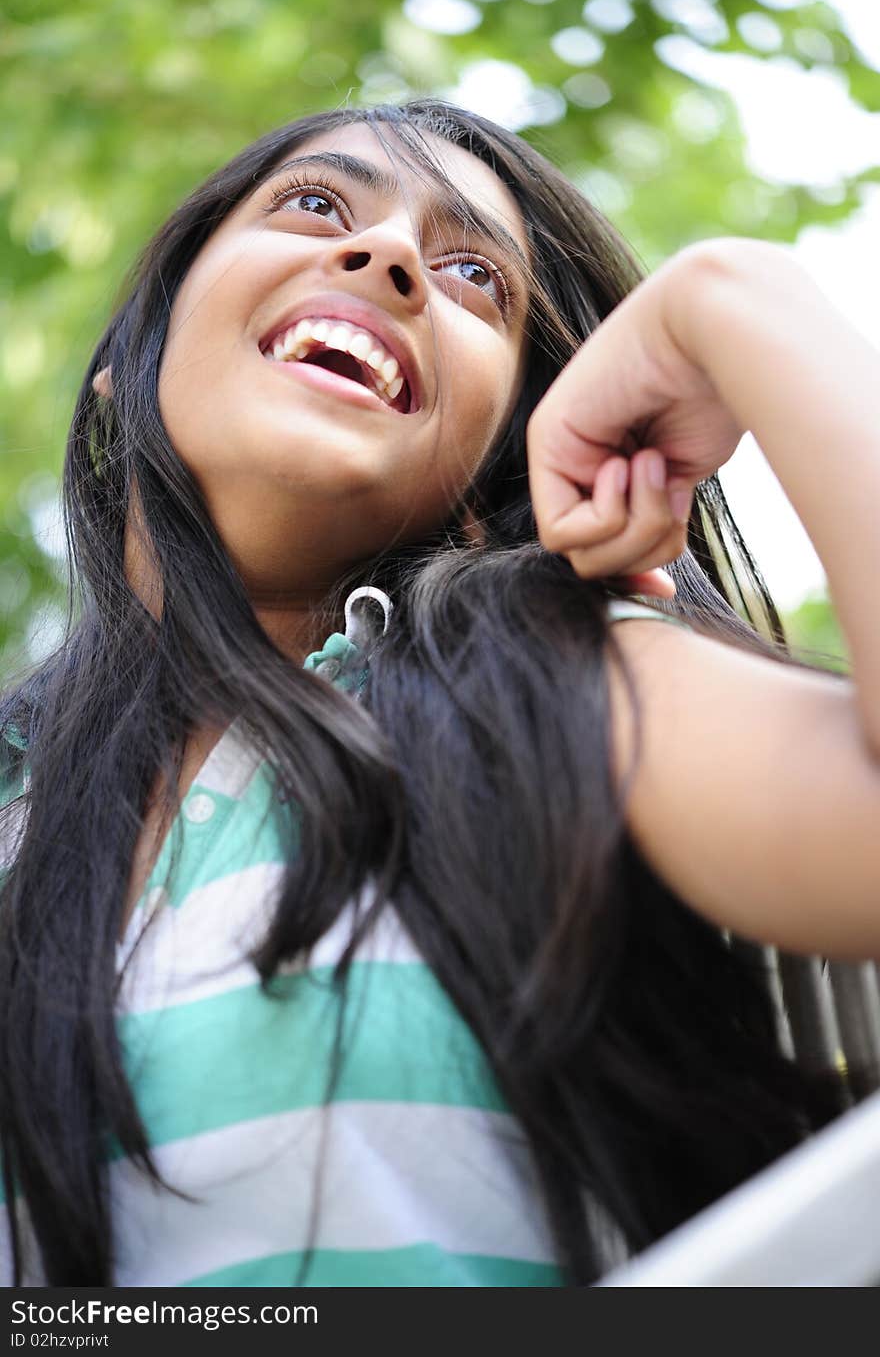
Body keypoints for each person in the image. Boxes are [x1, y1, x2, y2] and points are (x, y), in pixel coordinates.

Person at [1, 98, 877, 1289]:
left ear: (495, 467)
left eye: (475, 274)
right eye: (315, 204)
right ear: (122, 363)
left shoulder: (550, 679)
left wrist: (737, 300)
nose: (388, 258)